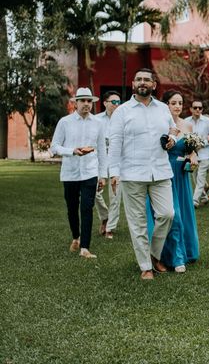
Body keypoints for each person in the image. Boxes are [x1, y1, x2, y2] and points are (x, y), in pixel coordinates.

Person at [108, 68, 176, 280]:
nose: (142, 82)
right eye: (139, 79)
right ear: (133, 84)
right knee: (137, 222)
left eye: (147, 79)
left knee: (167, 214)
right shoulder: (122, 111)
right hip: (132, 173)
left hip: (161, 171)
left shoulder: (164, 108)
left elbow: (173, 129)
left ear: (154, 84)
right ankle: (146, 266)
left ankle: (154, 254)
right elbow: (115, 142)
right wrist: (114, 173)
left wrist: (172, 138)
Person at [146, 90, 200, 273]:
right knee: (173, 216)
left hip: (181, 174)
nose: (177, 106)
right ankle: (174, 258)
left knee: (183, 214)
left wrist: (193, 156)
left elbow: (191, 148)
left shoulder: (188, 126)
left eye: (180, 103)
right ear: (166, 105)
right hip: (164, 173)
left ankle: (185, 252)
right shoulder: (160, 124)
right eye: (173, 103)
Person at [50, 87, 107, 259]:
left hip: (90, 172)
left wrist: (102, 175)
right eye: (83, 101)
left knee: (87, 208)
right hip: (70, 172)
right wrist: (72, 151)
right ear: (75, 103)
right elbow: (54, 147)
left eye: (89, 101)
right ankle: (76, 237)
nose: (87, 104)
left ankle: (85, 248)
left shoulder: (98, 123)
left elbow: (102, 151)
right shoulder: (65, 122)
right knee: (72, 208)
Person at [94, 91, 122, 239]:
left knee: (115, 195)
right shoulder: (96, 120)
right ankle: (105, 215)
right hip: (100, 160)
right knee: (94, 190)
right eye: (114, 102)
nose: (117, 105)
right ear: (105, 103)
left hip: (118, 161)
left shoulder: (124, 120)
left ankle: (110, 227)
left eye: (119, 102)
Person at [185, 100, 209, 207]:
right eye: (195, 108)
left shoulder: (208, 121)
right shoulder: (186, 121)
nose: (198, 110)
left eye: (200, 108)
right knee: (195, 177)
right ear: (191, 109)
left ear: (202, 110)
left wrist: (202, 143)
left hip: (205, 154)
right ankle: (203, 196)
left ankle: (194, 201)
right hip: (192, 155)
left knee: (201, 178)